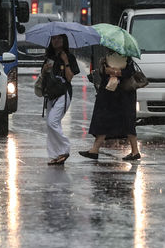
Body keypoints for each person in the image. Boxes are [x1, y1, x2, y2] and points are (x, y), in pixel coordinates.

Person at [79, 51, 141, 161]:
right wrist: (103, 67)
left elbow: (129, 73)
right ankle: (94, 150)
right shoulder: (107, 57)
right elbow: (103, 74)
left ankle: (135, 151)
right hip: (109, 93)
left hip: (123, 95)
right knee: (103, 120)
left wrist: (114, 71)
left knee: (127, 121)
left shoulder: (127, 59)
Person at [41, 34, 80, 165]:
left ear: (64, 40)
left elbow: (69, 78)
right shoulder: (49, 58)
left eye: (59, 38)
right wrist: (45, 70)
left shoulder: (69, 57)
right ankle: (56, 154)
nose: (56, 41)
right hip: (51, 94)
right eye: (53, 39)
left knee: (53, 121)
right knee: (51, 124)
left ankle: (65, 148)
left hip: (64, 93)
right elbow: (43, 77)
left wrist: (66, 61)